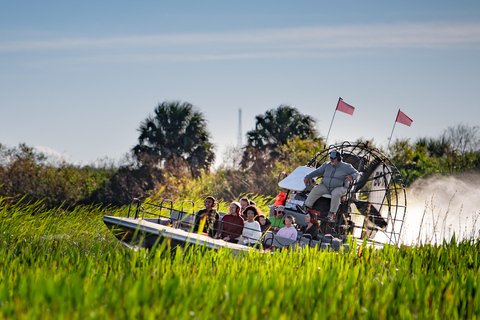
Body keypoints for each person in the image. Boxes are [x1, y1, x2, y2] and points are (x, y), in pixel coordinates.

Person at [303, 150, 359, 220]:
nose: (331, 159)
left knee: (336, 193)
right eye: (330, 158)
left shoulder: (347, 167)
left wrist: (352, 176)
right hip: (325, 186)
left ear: (338, 158)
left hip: (339, 187)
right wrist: (308, 176)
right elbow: (317, 171)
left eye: (333, 158)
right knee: (315, 189)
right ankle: (306, 207)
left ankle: (332, 213)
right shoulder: (326, 165)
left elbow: (357, 173)